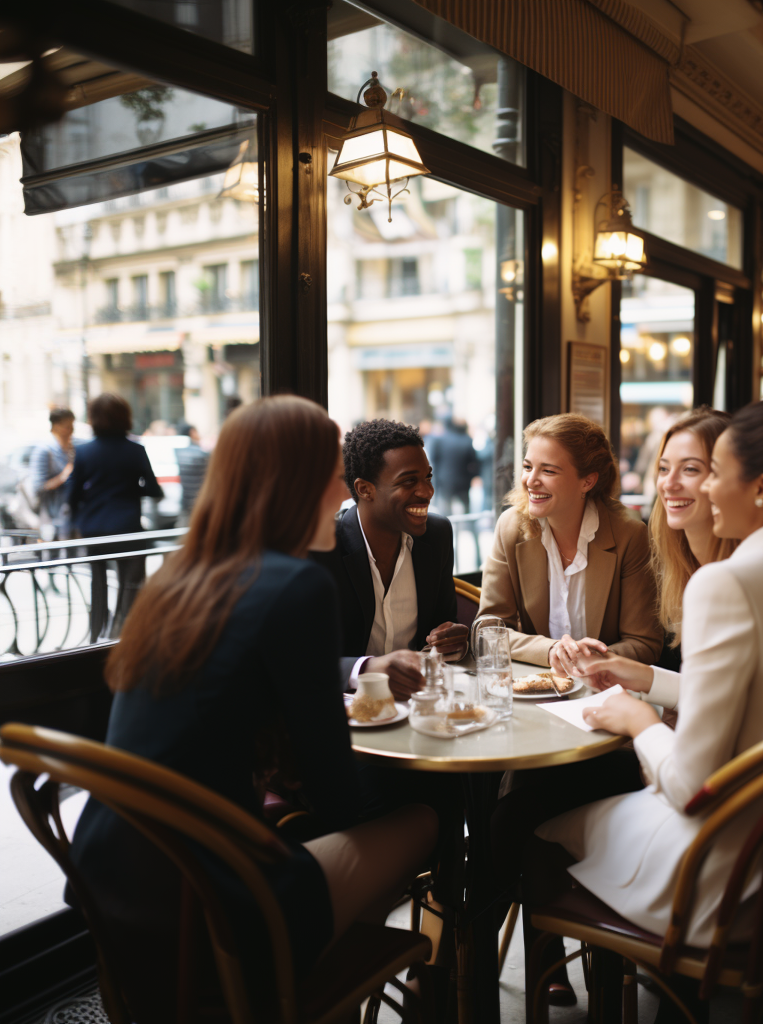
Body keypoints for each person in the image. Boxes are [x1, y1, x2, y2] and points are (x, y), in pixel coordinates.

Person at [68, 396, 437, 1013]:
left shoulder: (179, 576)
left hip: (113, 881)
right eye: (332, 474)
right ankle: (336, 981)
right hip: (210, 905)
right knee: (424, 815)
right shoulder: (296, 586)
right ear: (297, 483)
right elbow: (338, 796)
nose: (342, 491)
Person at [529, 400, 763, 1022]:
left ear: (761, 488)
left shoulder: (728, 581)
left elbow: (690, 787)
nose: (705, 487)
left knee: (523, 832)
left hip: (723, 866)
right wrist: (647, 679)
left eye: (715, 472)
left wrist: (637, 721)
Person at [478, 412, 662, 674]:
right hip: (537, 687)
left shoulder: (629, 535)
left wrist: (587, 658)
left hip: (603, 691)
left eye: (548, 470)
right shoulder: (510, 528)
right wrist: (551, 651)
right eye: (528, 467)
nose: (530, 480)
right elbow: (488, 631)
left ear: (587, 481)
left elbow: (644, 643)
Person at [309, 418, 469, 698]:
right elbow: (301, 659)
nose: (427, 492)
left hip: (420, 704)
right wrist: (369, 669)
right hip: (350, 712)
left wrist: (452, 640)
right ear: (364, 489)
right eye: (409, 481)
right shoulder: (322, 548)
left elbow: (444, 626)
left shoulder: (437, 535)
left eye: (428, 477)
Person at [648, 407, 737, 671]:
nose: (669, 483)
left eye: (689, 469)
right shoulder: (669, 564)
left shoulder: (741, 577)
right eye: (664, 469)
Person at [69, 394, 164, 637]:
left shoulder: (84, 452)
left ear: (94, 419)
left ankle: (96, 634)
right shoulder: (136, 450)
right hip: (127, 526)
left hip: (94, 528)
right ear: (126, 417)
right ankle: (123, 634)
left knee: (97, 583)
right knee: (131, 584)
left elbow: (73, 495)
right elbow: (154, 490)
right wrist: (130, 488)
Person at [29, 407, 76, 540]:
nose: (71, 430)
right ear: (56, 425)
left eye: (72, 426)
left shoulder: (71, 447)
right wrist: (65, 475)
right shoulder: (44, 450)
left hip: (70, 516)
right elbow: (38, 486)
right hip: (51, 517)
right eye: (68, 426)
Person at [174, 421, 209, 527]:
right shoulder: (203, 454)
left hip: (185, 501)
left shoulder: (177, 452)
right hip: (200, 501)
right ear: (192, 432)